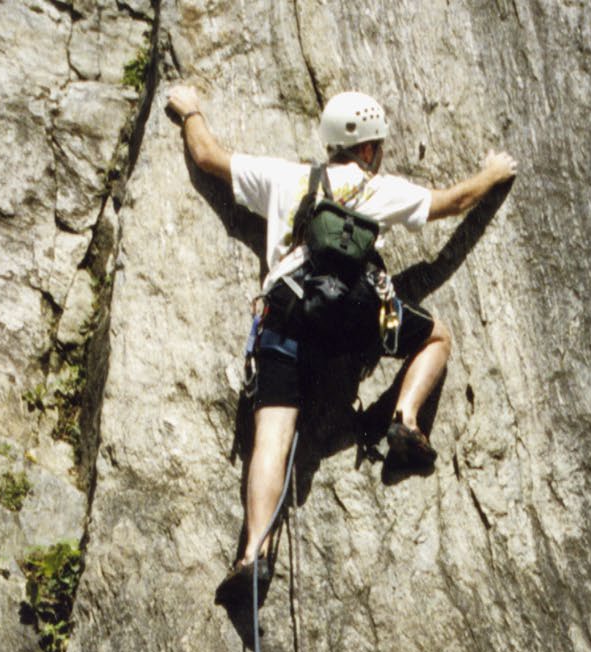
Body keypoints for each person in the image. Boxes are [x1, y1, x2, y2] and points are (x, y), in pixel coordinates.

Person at [164, 84, 517, 603]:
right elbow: (450, 204)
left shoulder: (286, 179)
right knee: (436, 335)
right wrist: (491, 173)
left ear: (330, 143)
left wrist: (190, 107)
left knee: (272, 436)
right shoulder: (380, 189)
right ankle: (405, 419)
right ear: (370, 148)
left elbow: (208, 156)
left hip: (286, 317)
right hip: (354, 322)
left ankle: (253, 552)